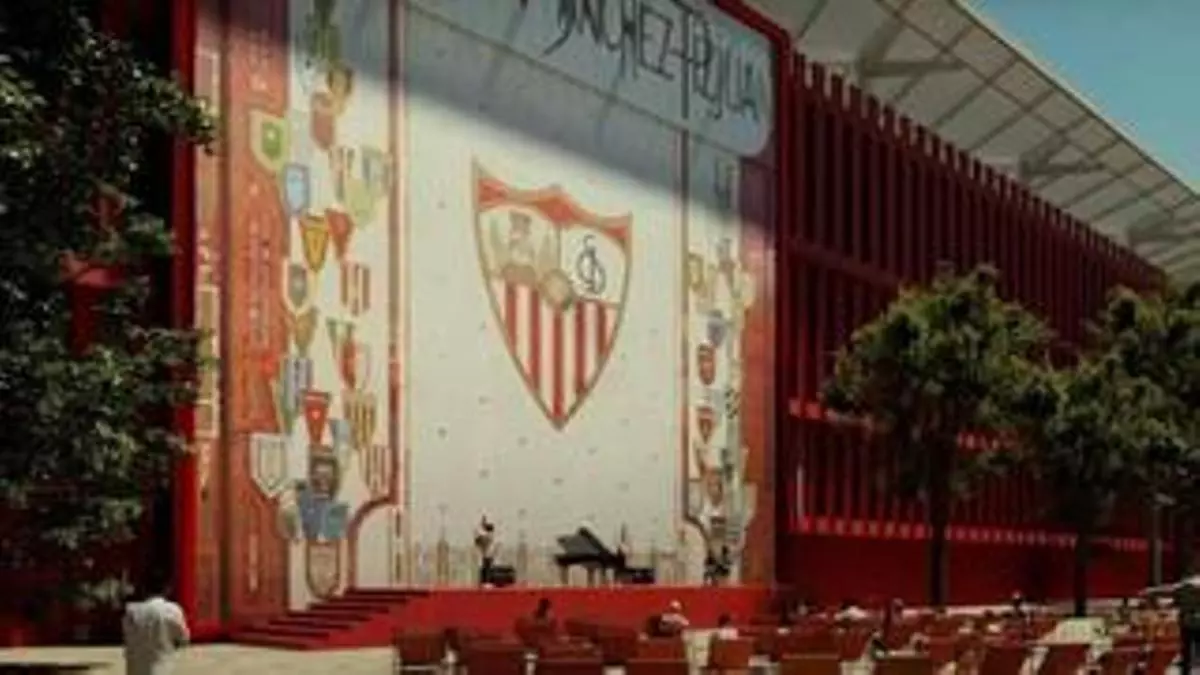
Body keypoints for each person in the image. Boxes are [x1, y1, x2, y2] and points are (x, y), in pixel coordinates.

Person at [122, 578, 189, 675]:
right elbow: (184, 638)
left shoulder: (131, 612)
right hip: (161, 668)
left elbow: (128, 638)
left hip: (135, 670)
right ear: (167, 589)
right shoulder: (173, 610)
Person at [1143, 575, 1200, 675]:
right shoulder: (1186, 588)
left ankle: (1187, 669)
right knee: (1188, 651)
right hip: (1189, 624)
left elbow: (1169, 592)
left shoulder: (1184, 588)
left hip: (1188, 624)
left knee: (1187, 651)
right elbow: (1170, 594)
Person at [474, 515, 497, 587]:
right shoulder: (488, 535)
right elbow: (478, 539)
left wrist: (482, 525)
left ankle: (486, 582)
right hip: (486, 555)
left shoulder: (489, 535)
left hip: (487, 555)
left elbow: (480, 536)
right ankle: (484, 582)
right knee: (485, 568)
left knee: (487, 568)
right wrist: (482, 524)